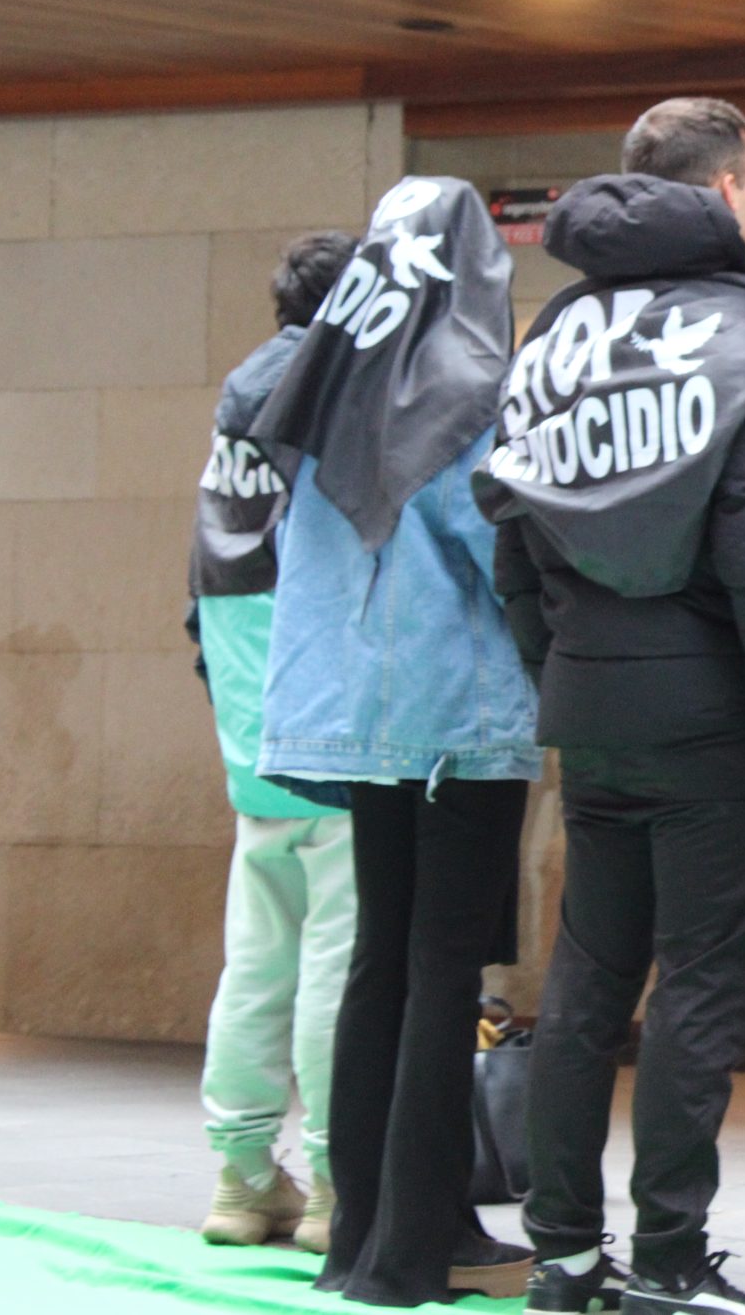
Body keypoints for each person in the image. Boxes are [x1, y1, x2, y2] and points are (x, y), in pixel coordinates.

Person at [479, 99, 745, 1315]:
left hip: (593, 709)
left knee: (587, 988)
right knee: (701, 987)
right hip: (718, 719)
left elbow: (511, 536)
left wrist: (558, 671)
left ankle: (566, 1259)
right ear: (729, 190)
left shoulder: (556, 333)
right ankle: (673, 1259)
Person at [252, 176, 543, 1307]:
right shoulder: (464, 384)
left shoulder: (328, 378)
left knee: (379, 962)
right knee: (440, 970)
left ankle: (358, 1236)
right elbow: (495, 547)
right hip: (456, 713)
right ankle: (416, 1250)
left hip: (355, 718)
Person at [188, 229, 359, 1252]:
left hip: (250, 737)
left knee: (255, 963)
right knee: (337, 962)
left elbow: (200, 591)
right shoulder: (335, 404)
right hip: (332, 732)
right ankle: (335, 1182)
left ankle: (243, 1175)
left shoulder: (234, 415)